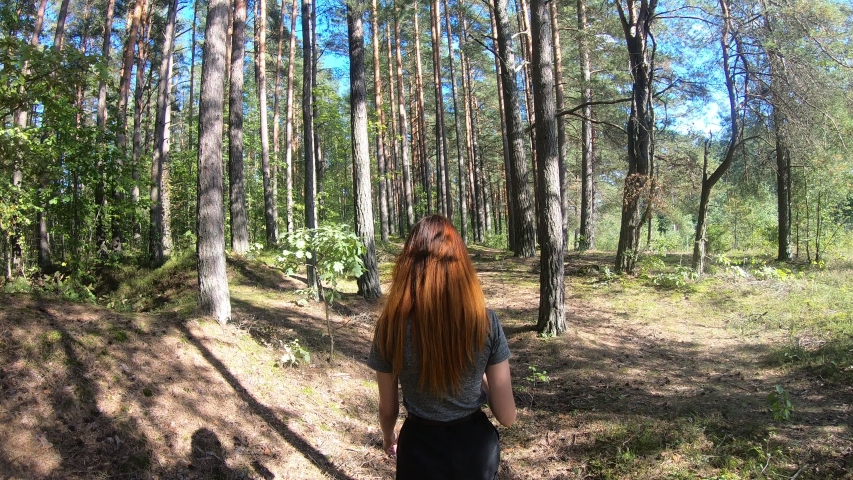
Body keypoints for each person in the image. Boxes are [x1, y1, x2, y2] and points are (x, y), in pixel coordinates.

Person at [367, 215, 516, 479]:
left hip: (419, 449)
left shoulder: (391, 326)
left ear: (408, 266)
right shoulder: (485, 322)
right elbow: (507, 416)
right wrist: (479, 378)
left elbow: (388, 408)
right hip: (475, 450)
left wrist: (388, 436)